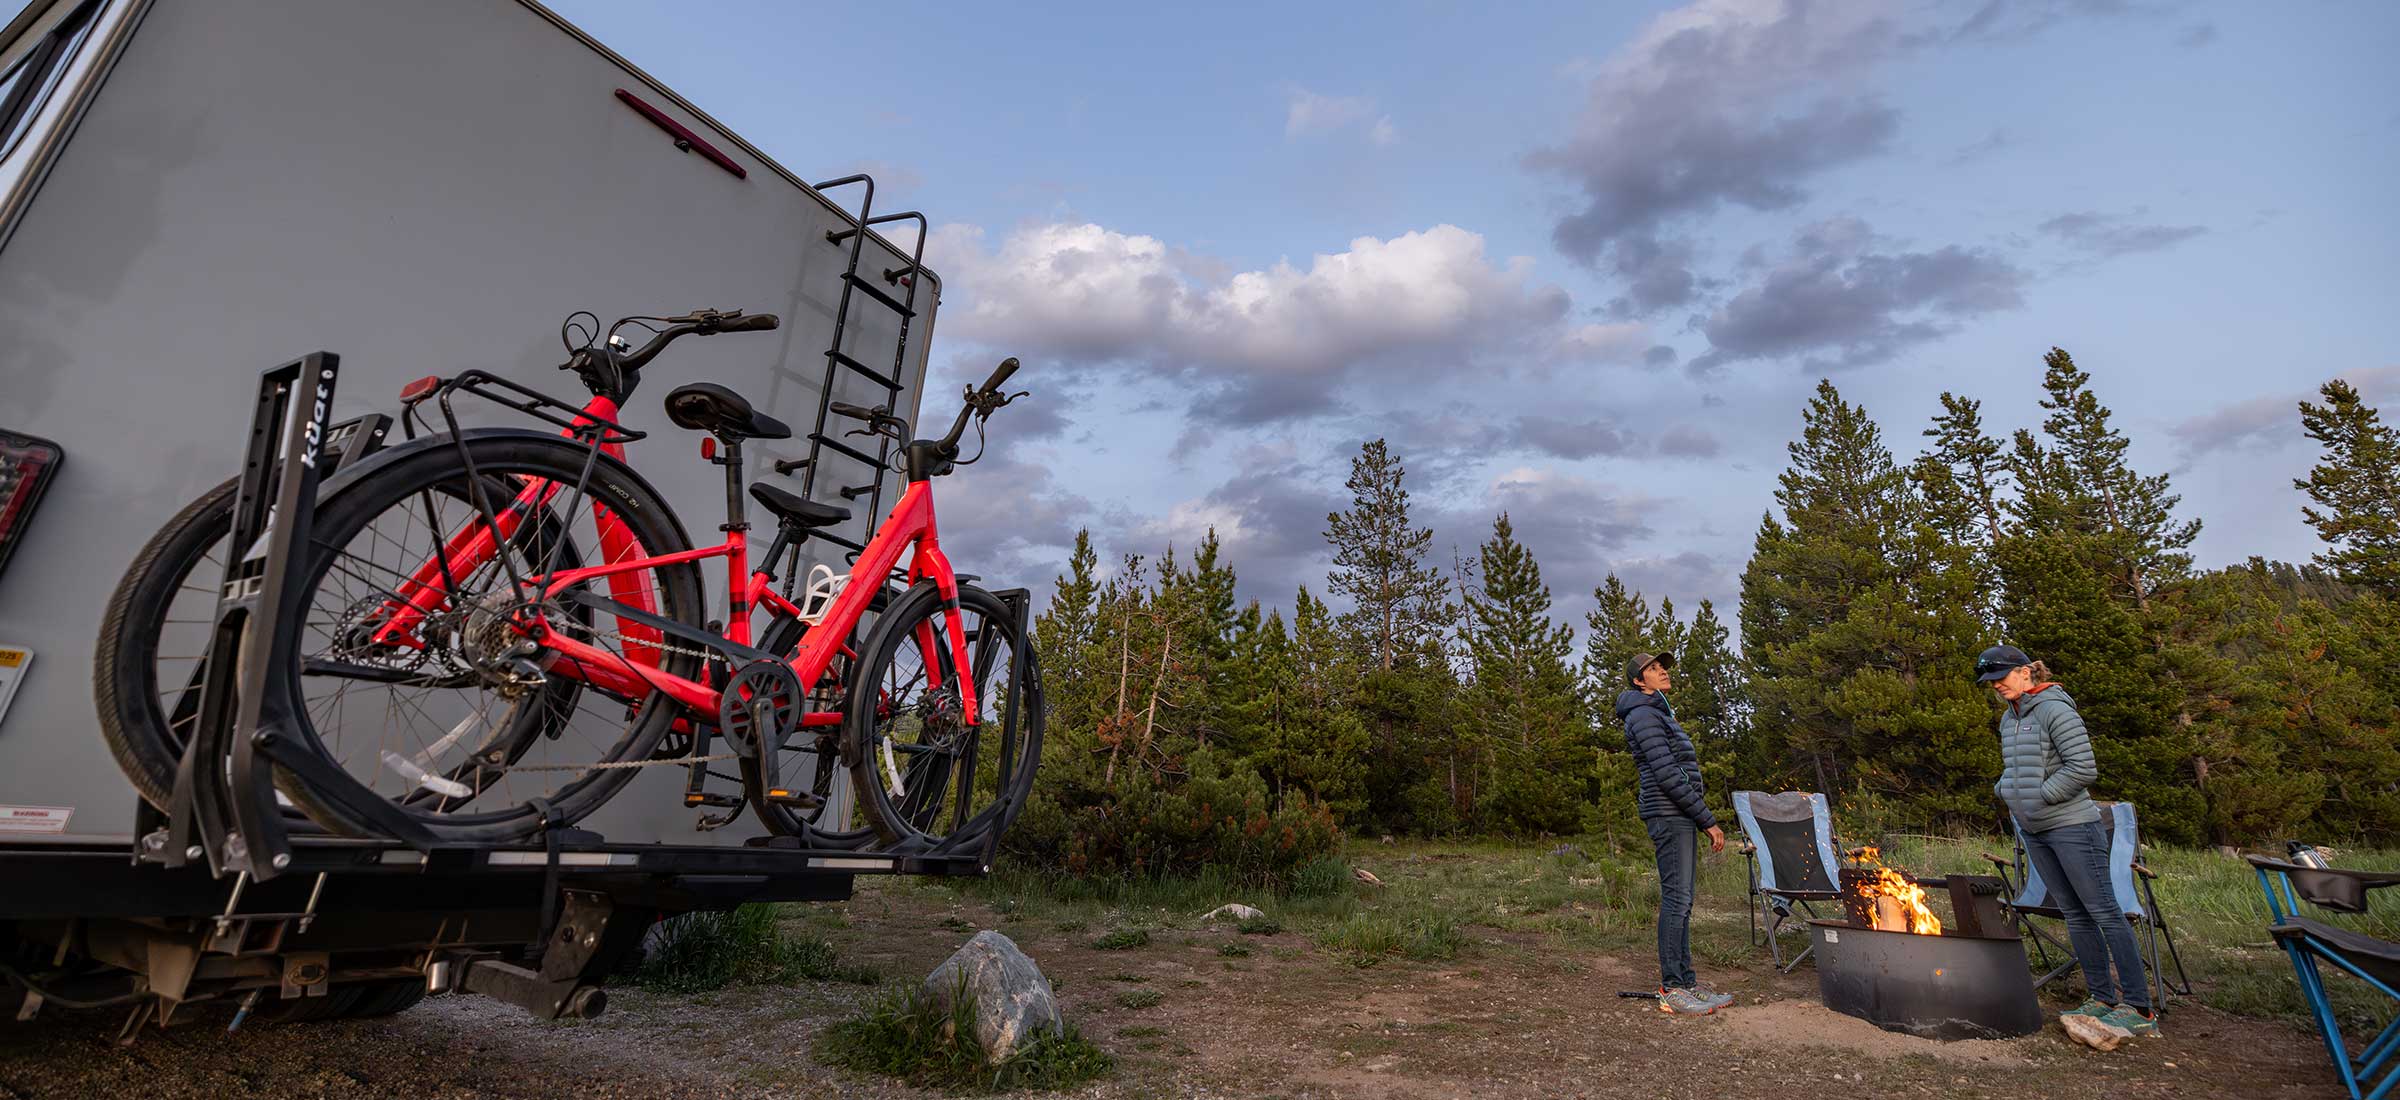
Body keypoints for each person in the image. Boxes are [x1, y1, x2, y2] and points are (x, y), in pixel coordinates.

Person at [1980, 644, 2158, 1039]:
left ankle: (2139, 1007)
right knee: (2075, 914)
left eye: (2001, 677)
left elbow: (2083, 768)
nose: (1996, 686)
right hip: (2034, 830)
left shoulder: (2055, 709)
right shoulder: (2010, 720)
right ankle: (2101, 997)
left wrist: (2040, 796)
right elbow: (2016, 769)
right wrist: (2007, 791)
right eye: (1990, 681)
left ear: (2026, 672)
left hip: (2072, 826)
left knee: (2104, 912)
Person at [1617, 651, 1732, 1016]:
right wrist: (1707, 820)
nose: (1662, 670)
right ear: (1639, 681)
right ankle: (1671, 988)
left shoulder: (1657, 714)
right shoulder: (1644, 715)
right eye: (1652, 668)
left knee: (1683, 900)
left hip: (1677, 813)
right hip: (1669, 814)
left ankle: (1686, 982)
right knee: (1676, 899)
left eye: (1662, 666)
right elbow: (1668, 774)